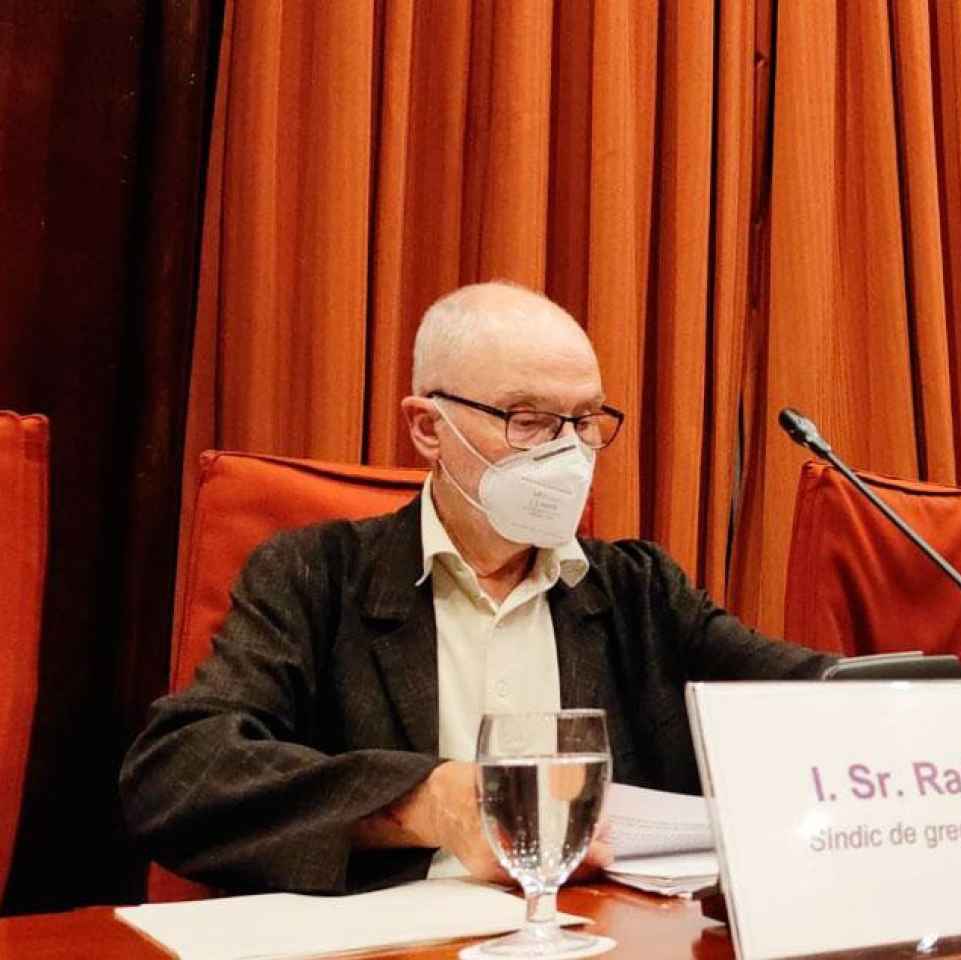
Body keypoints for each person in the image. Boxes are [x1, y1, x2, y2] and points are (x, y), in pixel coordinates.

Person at [120, 282, 834, 895]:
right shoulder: (314, 575)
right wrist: (424, 803)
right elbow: (179, 776)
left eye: (586, 421)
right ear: (428, 428)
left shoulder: (638, 590)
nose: (569, 451)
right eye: (529, 421)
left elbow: (802, 690)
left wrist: (913, 697)